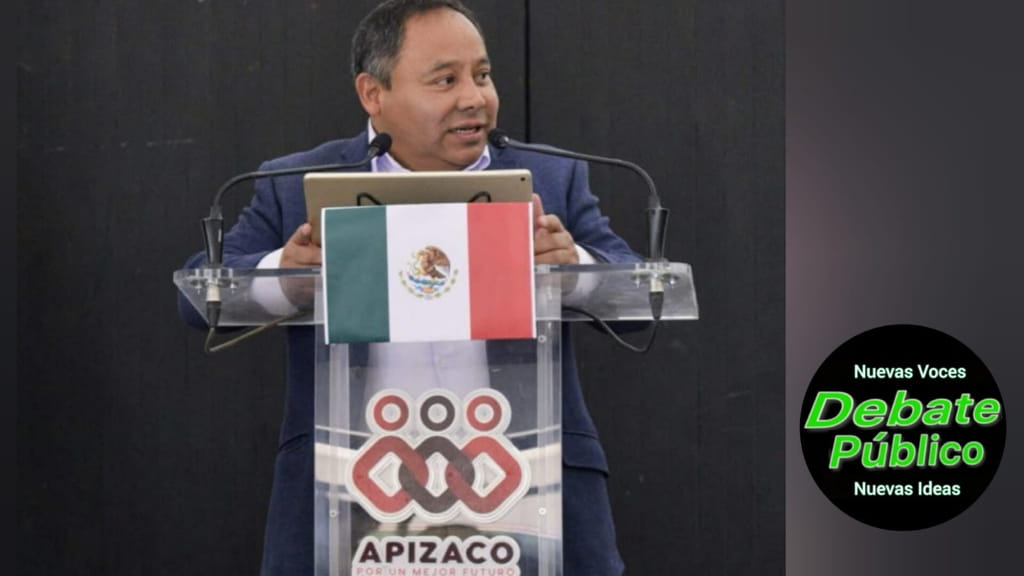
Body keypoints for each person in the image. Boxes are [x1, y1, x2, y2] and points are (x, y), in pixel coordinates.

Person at [178, 1, 639, 574]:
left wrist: (571, 267)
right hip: (352, 493)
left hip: (524, 485)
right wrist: (287, 277)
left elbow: (636, 295)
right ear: (373, 94)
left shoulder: (551, 178)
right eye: (445, 80)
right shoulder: (296, 184)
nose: (474, 97)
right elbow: (201, 296)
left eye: (483, 75)